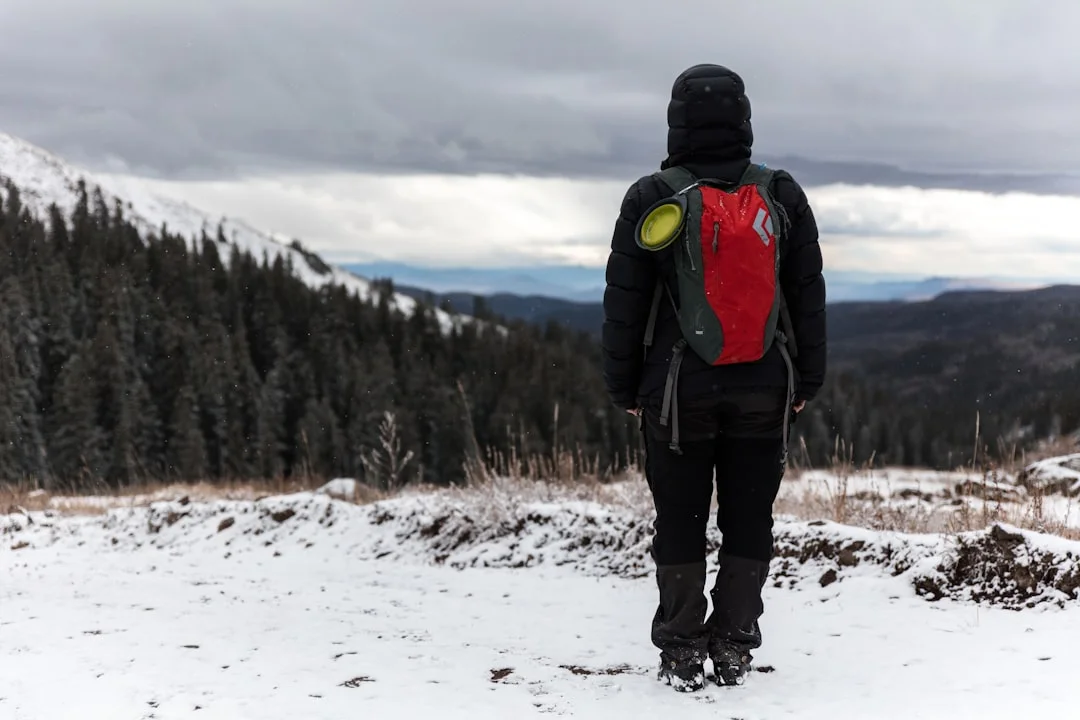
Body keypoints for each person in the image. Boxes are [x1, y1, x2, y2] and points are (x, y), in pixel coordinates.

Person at [601, 63, 826, 692]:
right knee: (750, 516)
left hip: (677, 391)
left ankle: (680, 650)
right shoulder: (781, 194)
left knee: (679, 515)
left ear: (675, 120)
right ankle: (733, 645)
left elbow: (624, 304)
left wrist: (624, 386)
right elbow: (806, 296)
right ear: (744, 119)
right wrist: (807, 379)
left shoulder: (652, 198)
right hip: (764, 385)